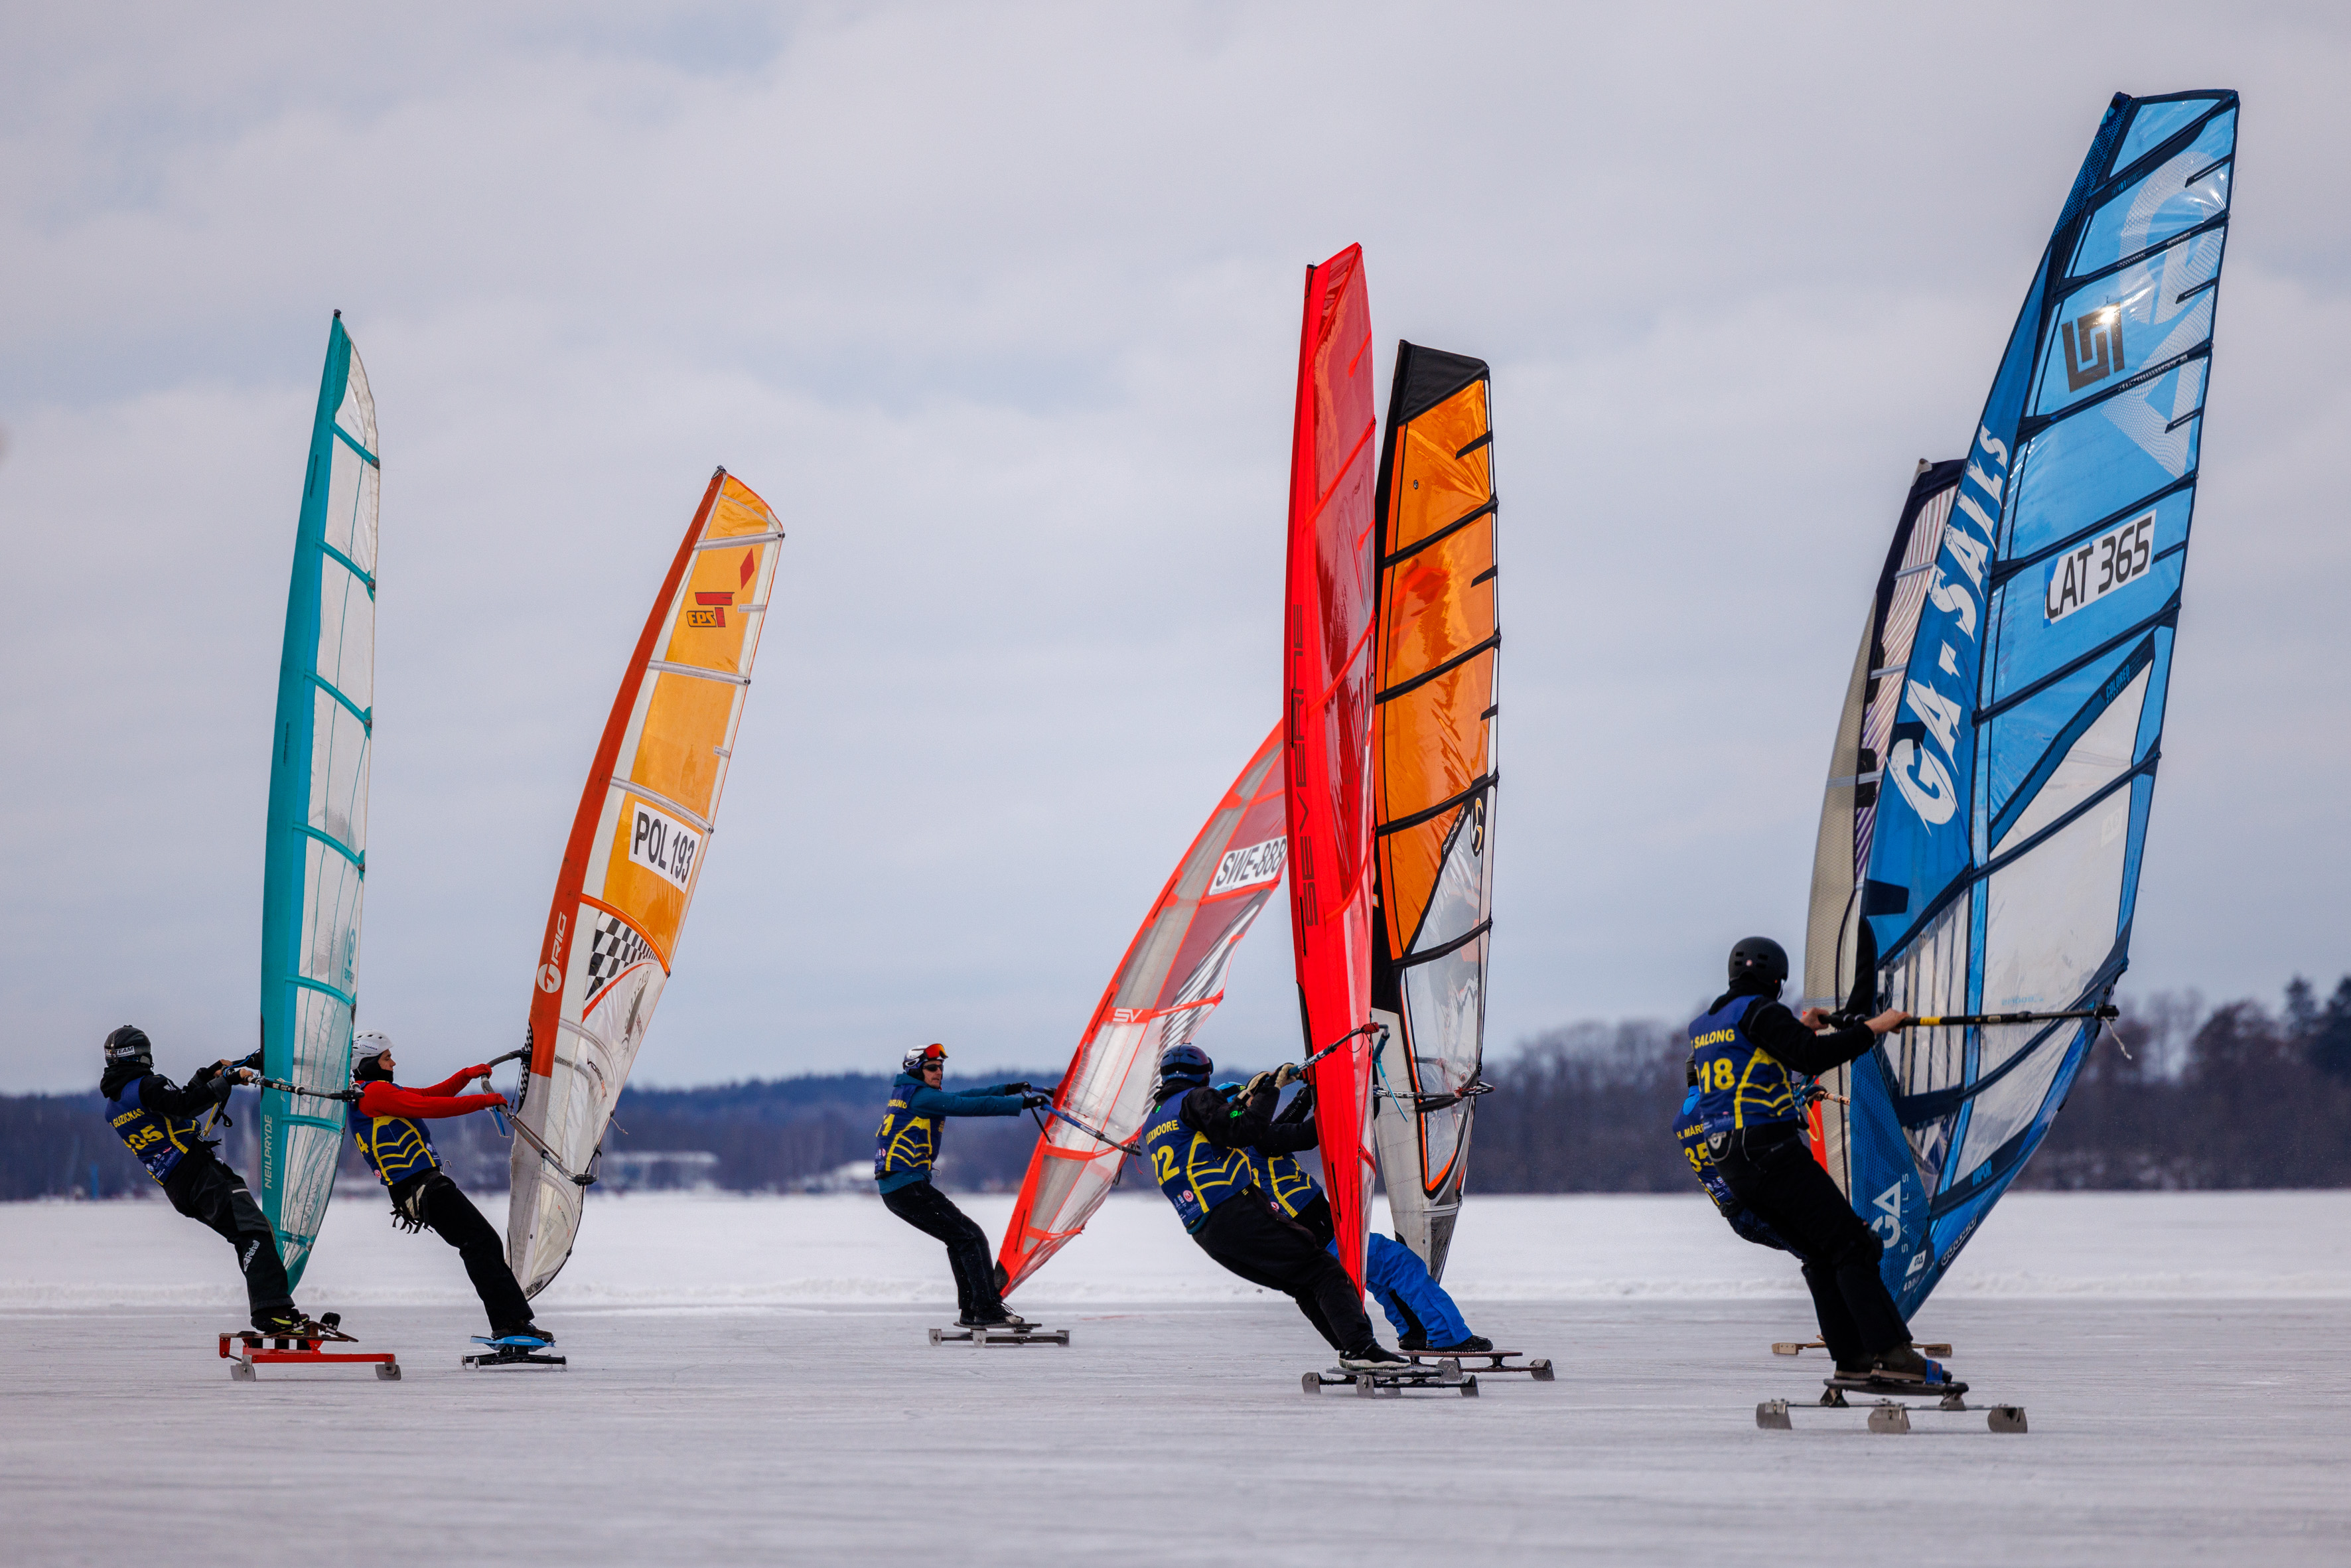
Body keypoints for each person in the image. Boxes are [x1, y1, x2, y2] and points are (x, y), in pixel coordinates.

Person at [1688, 936, 1940, 1383]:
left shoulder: (1707, 1024)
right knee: (1854, 1244)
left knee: (1820, 1253)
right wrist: (1877, 1026)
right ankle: (1894, 1355)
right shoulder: (1761, 1012)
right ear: (1777, 981)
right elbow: (1812, 1055)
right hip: (1771, 1153)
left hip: (1733, 1165)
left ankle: (1852, 1360)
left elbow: (1762, 1055)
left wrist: (1802, 1026)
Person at [1142, 1043, 1403, 1367]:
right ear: (1204, 1074)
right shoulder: (1197, 1099)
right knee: (1322, 1271)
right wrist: (1271, 1089)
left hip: (1205, 1230)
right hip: (1234, 1211)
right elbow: (1246, 1128)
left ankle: (1352, 1351)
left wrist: (1289, 1096)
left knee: (1302, 1282)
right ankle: (1362, 1350)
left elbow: (1236, 1123)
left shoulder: (1155, 1119)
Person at [98, 1024, 319, 1334]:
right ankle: (271, 1312)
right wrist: (226, 1080)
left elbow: (175, 1104)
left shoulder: (115, 1105)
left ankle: (273, 1308)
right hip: (201, 1175)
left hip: (179, 1187)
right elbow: (185, 1105)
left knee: (246, 1233)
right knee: (253, 1230)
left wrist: (209, 1075)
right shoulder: (147, 1086)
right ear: (142, 1056)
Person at [1248, 1083, 1492, 1354]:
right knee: (1402, 1265)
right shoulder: (1259, 1141)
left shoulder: (1243, 1149)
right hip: (1328, 1239)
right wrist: (1358, 1104)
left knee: (1379, 1277)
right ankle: (1448, 1335)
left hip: (1312, 1242)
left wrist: (1306, 1096)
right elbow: (1311, 1133)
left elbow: (1283, 1127)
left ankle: (1414, 1332)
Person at [347, 1033, 550, 1345]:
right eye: (387, 1059)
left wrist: (465, 1076)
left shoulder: (375, 1091)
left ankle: (513, 1322)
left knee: (481, 1243)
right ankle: (511, 1325)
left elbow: (430, 1093)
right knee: (480, 1242)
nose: (393, 1063)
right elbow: (430, 1107)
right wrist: (482, 1102)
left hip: (421, 1186)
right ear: (369, 1063)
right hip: (419, 1187)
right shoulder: (373, 1094)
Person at [875, 1042, 1048, 1330]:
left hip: (899, 1189)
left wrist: (1007, 1090)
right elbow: (967, 1106)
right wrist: (1020, 1104)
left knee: (961, 1238)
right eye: (932, 1068)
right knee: (971, 1237)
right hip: (906, 1188)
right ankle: (986, 1309)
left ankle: (972, 1310)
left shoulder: (912, 1094)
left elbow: (963, 1096)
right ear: (916, 1071)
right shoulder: (920, 1097)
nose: (939, 1072)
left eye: (941, 1068)